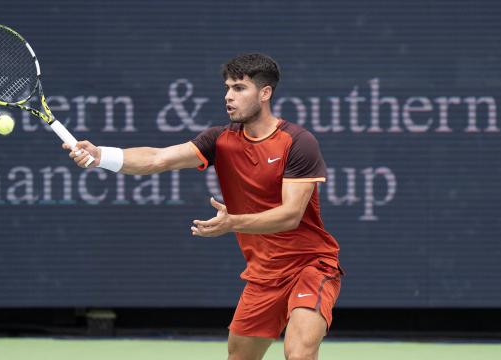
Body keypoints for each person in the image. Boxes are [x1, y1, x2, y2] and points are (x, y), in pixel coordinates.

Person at [64, 53, 344, 360]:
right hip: (263, 273)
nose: (228, 96)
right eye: (227, 88)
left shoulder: (298, 142)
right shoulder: (219, 140)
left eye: (239, 88)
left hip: (311, 265)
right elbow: (159, 159)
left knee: (299, 353)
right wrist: (102, 155)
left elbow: (291, 216)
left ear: (265, 94)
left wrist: (232, 223)